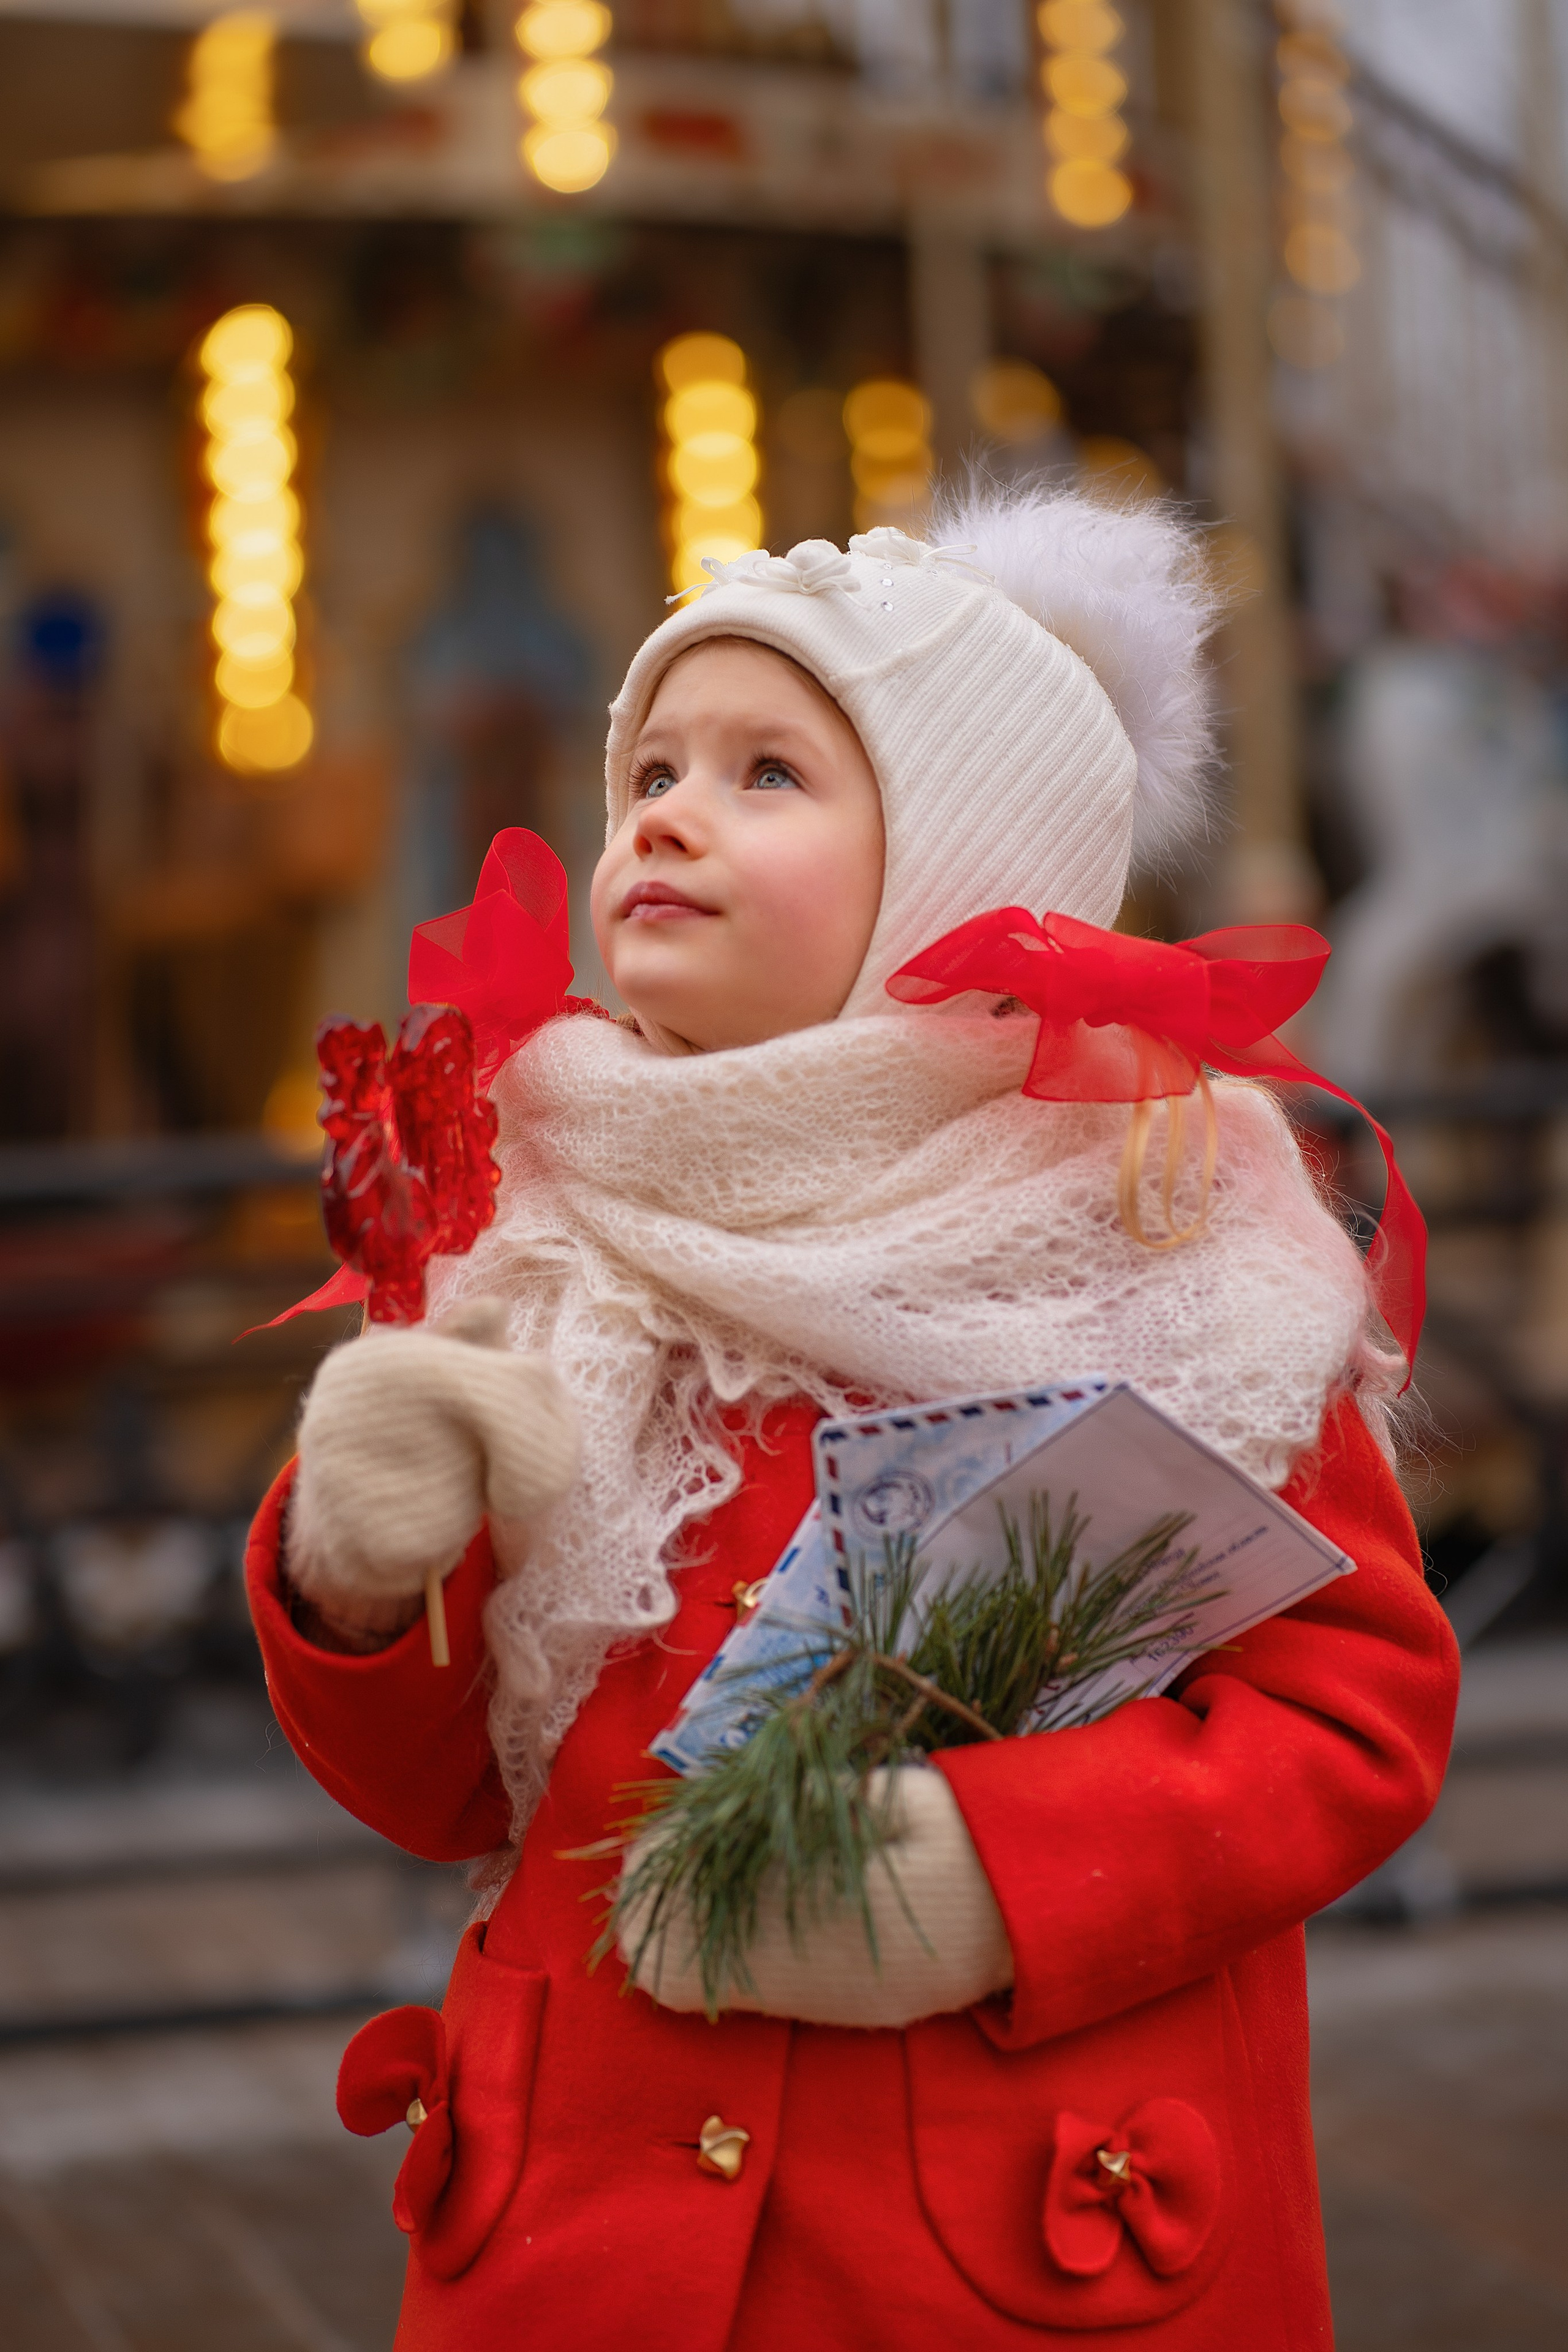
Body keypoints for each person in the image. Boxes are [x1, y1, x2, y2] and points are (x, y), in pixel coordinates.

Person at [246, 491, 1459, 2351]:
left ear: (961, 859)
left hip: (991, 2253)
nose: (663, 810)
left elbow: (1353, 1713)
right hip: (580, 2254)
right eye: (648, 765)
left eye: (766, 773)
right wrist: (352, 1579)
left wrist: (997, 1880)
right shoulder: (533, 1228)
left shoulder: (1166, 1235)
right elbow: (442, 1797)